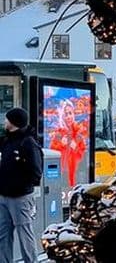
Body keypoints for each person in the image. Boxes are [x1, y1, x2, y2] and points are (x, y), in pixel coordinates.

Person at [0, 108, 43, 263]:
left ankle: (31, 261)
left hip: (20, 197)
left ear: (14, 122)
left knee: (24, 234)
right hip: (4, 195)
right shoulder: (7, 141)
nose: (4, 121)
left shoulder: (28, 142)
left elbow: (36, 171)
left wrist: (22, 185)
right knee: (3, 234)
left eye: (7, 119)